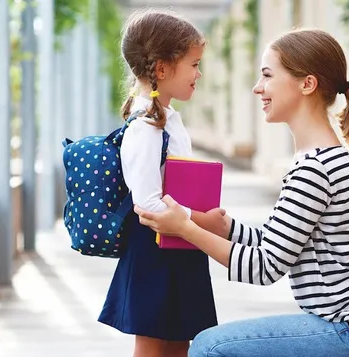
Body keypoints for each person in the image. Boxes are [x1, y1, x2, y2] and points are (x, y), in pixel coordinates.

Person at [134, 28, 349, 357]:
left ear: (307, 84)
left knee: (211, 347)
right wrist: (226, 228)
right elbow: (280, 242)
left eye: (267, 76)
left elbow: (264, 267)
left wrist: (185, 229)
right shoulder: (321, 158)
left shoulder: (314, 169)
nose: (258, 88)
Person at [98, 8, 226, 357]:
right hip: (155, 248)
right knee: (153, 341)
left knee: (179, 340)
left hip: (178, 244)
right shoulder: (145, 128)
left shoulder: (166, 119)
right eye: (193, 64)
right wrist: (204, 222)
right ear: (162, 69)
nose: (198, 73)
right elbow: (148, 204)